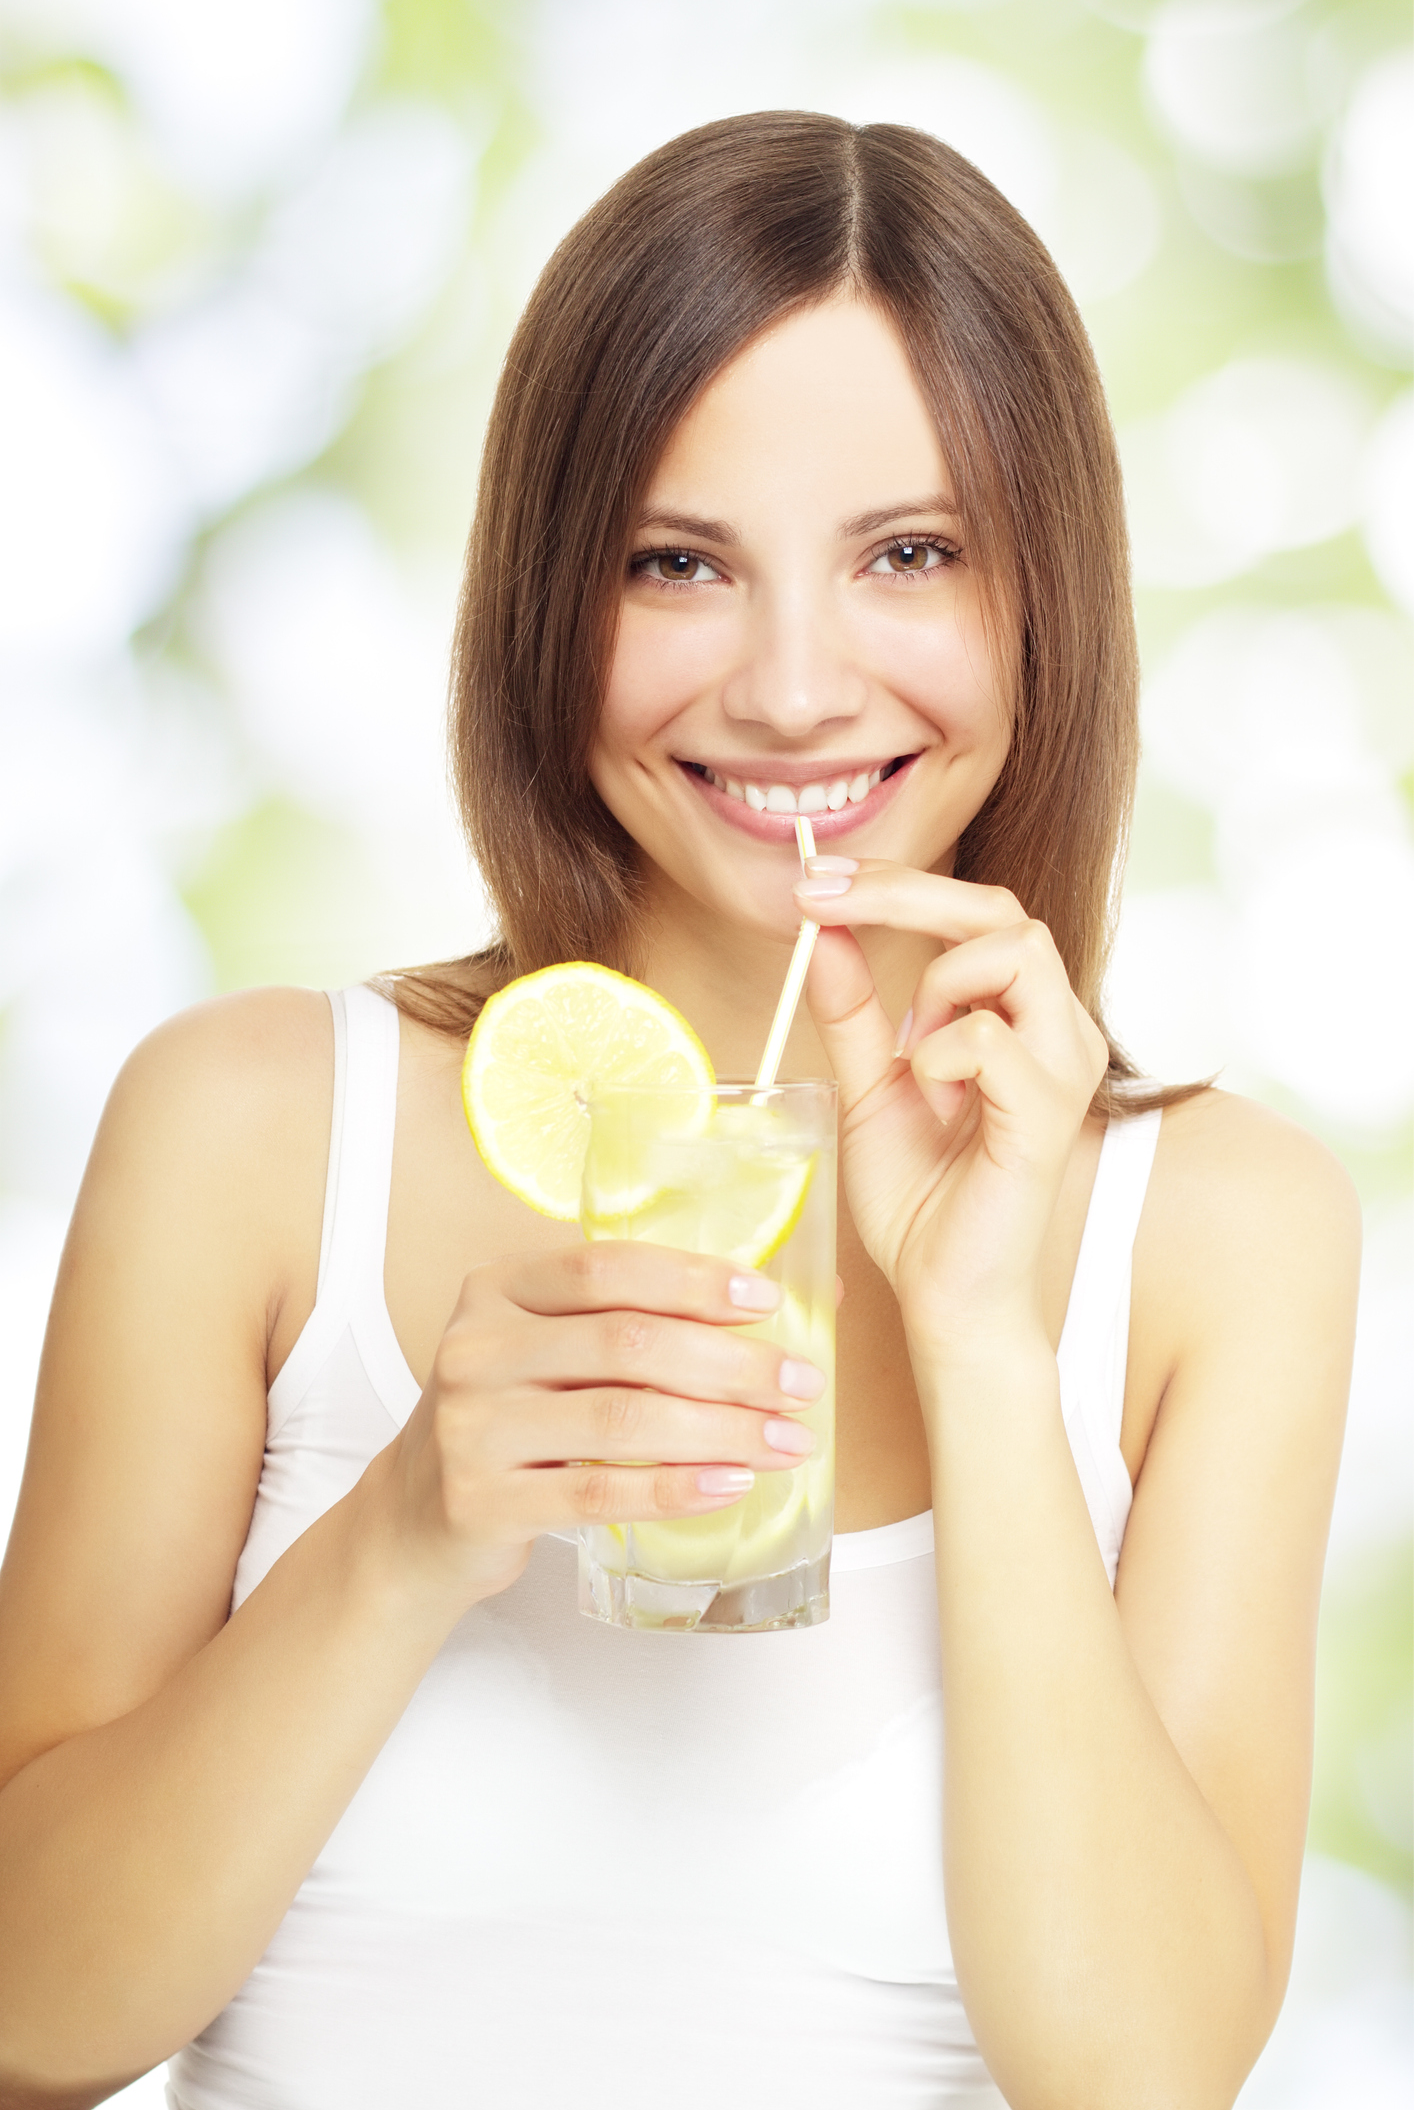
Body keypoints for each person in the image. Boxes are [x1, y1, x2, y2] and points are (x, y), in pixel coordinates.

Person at [0, 112, 1357, 2110]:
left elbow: (1137, 2075)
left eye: (906, 553)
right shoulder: (253, 1129)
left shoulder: (1223, 1228)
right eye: (676, 561)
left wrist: (980, 1337)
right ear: (549, 594)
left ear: (1038, 594)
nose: (794, 685)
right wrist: (404, 1525)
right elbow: (29, 2016)